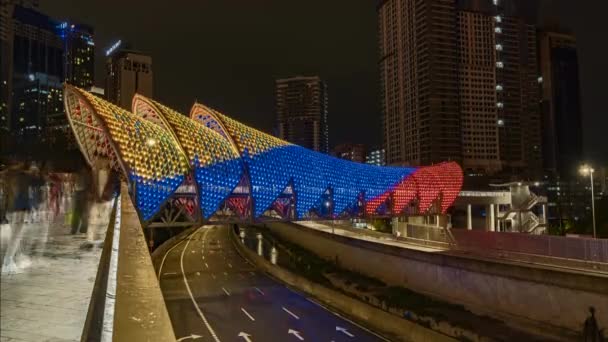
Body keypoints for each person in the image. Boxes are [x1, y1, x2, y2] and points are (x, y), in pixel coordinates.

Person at [70, 166, 91, 234]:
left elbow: (88, 183)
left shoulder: (87, 174)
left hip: (83, 192)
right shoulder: (76, 174)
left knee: (82, 211)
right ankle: (76, 228)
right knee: (77, 211)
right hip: (77, 192)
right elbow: (73, 181)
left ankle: (82, 228)